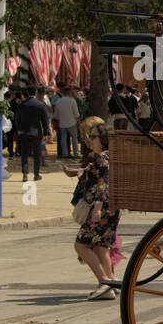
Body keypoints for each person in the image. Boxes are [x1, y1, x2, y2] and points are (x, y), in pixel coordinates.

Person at [66, 117, 120, 300]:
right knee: (101, 247)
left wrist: (97, 207)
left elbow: (103, 183)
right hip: (110, 208)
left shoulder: (104, 158)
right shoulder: (107, 156)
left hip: (101, 208)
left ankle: (105, 282)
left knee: (81, 245)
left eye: (94, 136)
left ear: (103, 139)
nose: (91, 139)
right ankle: (110, 283)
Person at [15, 87, 51, 180]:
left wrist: (19, 129)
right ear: (35, 92)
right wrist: (46, 131)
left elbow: (17, 119)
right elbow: (45, 119)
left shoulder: (21, 105)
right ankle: (36, 174)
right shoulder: (40, 104)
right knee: (37, 154)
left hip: (24, 132)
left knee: (24, 154)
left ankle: (25, 174)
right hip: (36, 132)